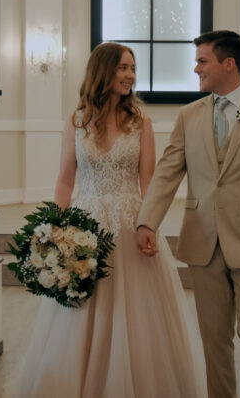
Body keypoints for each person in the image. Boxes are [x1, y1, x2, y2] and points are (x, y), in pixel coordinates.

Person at [14, 42, 206, 398]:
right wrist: (56, 226)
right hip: (85, 223)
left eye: (132, 68)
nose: (130, 75)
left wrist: (149, 226)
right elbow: (65, 179)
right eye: (122, 67)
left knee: (134, 313)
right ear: (103, 71)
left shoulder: (141, 123)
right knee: (84, 308)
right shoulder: (76, 121)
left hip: (130, 223)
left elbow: (149, 182)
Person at [135, 30, 240, 398]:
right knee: (215, 339)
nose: (195, 69)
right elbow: (167, 172)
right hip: (203, 241)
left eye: (202, 61)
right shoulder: (188, 115)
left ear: (228, 63)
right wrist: (148, 220)